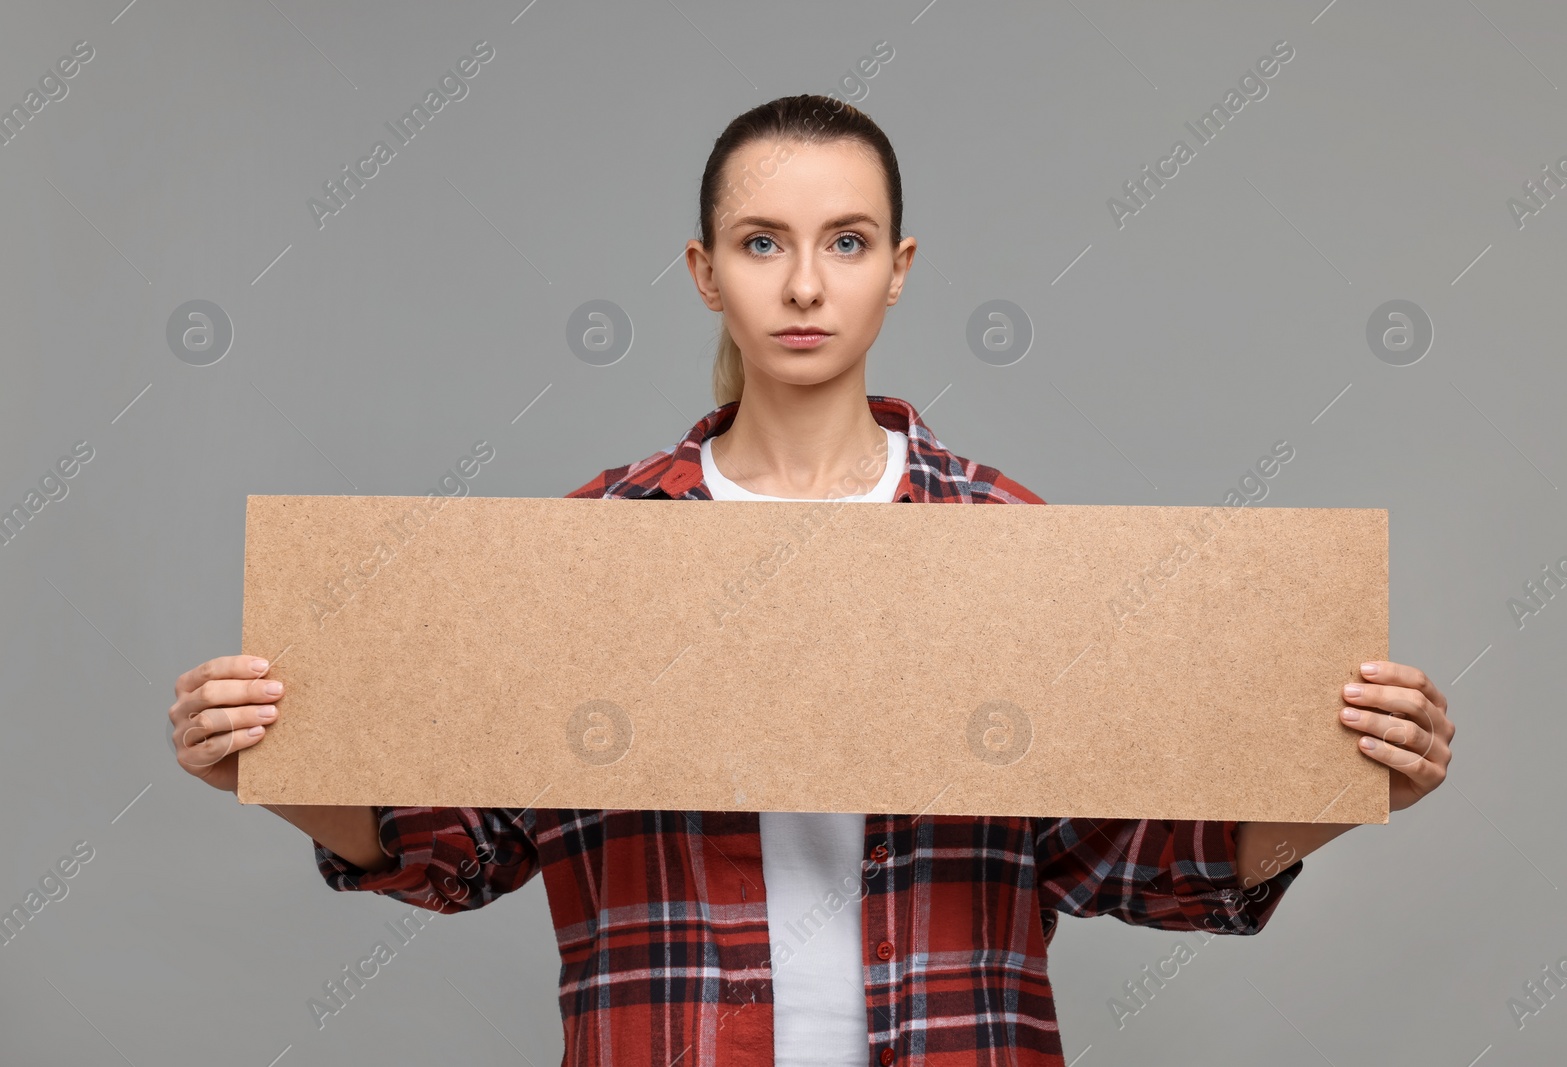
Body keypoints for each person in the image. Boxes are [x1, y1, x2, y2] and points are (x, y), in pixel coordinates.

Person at [169, 94, 1455, 1066]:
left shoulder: (1001, 538)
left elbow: (1128, 859)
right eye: (760, 241)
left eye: (844, 241)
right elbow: (461, 848)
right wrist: (285, 773)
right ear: (703, 272)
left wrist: (1340, 787)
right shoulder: (599, 543)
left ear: (897, 267)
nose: (801, 282)